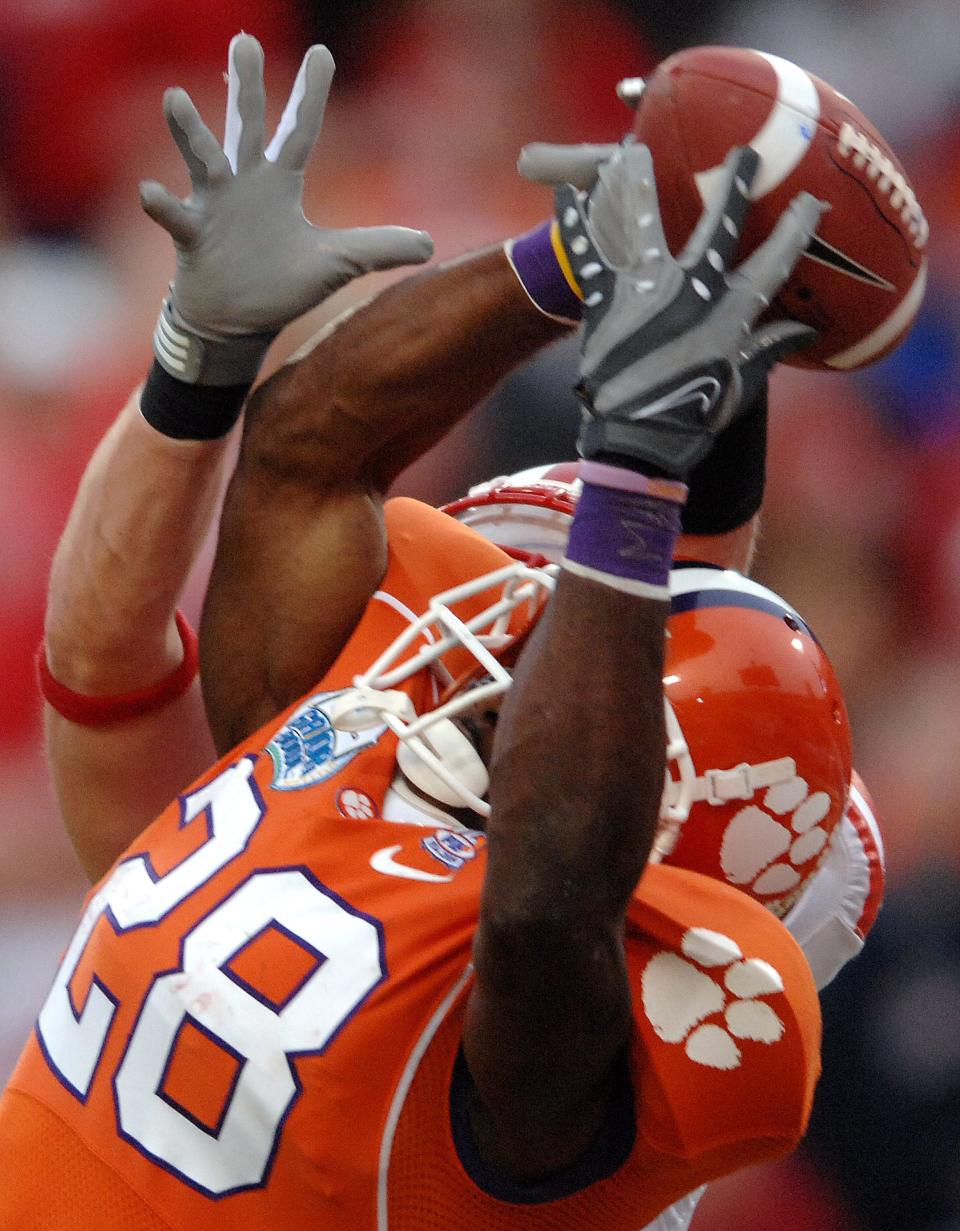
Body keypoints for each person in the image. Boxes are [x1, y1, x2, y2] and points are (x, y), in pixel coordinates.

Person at [0, 36, 881, 1231]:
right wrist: (598, 259)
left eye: (543, 628)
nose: (502, 629)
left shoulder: (548, 1042)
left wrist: (634, 469)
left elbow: (557, 873)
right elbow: (311, 457)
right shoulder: (370, 770)